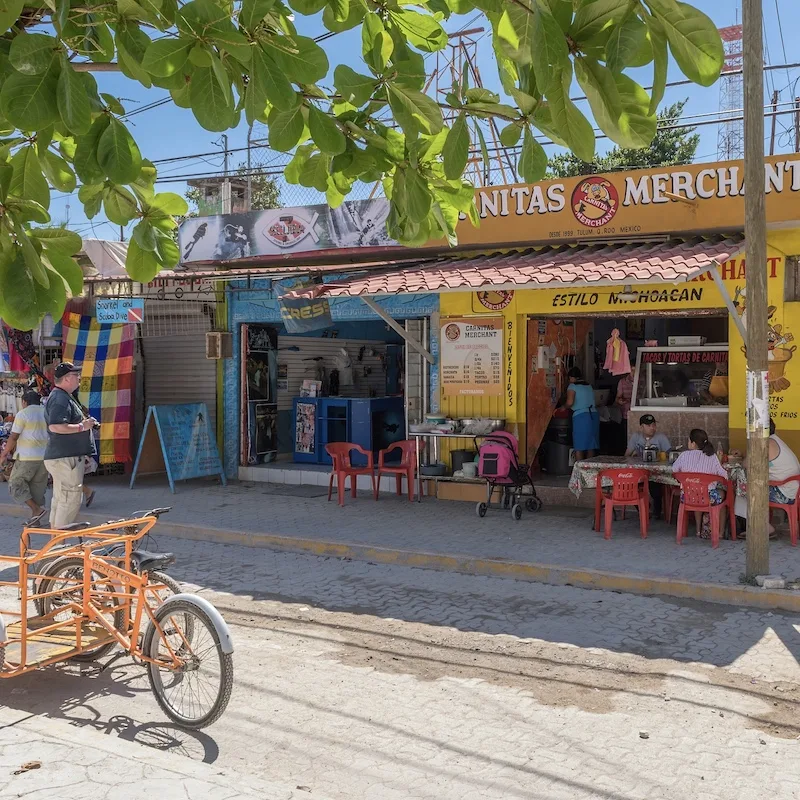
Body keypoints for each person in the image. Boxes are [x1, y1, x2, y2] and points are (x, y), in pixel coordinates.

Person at [43, 362, 97, 529]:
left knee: (62, 499)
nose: (79, 378)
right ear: (66, 379)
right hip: (65, 458)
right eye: (75, 376)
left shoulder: (63, 396)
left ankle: (56, 544)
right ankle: (59, 547)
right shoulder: (60, 399)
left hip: (63, 457)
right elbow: (55, 426)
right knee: (69, 499)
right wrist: (83, 426)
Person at [735, 418, 800, 536]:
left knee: (743, 491)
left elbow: (746, 464)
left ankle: (765, 527)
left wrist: (749, 448)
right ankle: (758, 525)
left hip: (784, 493)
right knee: (746, 488)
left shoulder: (767, 444)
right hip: (791, 488)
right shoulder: (774, 440)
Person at [671, 429, 728, 539]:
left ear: (693, 443)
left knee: (697, 493)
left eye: (688, 441)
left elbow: (674, 470)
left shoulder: (684, 455)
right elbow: (723, 475)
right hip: (707, 497)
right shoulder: (712, 457)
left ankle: (698, 531)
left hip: (687, 497)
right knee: (722, 495)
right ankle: (720, 534)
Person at [0, 391, 48, 517]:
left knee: (15, 484)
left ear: (24, 402)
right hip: (44, 457)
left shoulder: (23, 414)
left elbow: (14, 436)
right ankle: (35, 517)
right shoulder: (47, 412)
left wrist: (4, 453)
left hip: (27, 457)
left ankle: (36, 510)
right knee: (37, 488)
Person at [626, 414, 671, 517]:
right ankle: (643, 508)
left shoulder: (661, 437)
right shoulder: (636, 437)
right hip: (638, 473)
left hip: (656, 473)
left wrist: (659, 455)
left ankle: (657, 509)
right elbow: (626, 455)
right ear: (641, 427)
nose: (652, 428)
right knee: (629, 487)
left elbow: (670, 456)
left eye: (654, 425)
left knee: (655, 487)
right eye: (649, 425)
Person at [565, 367, 599, 461]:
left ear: (571, 377)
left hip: (581, 417)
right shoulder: (589, 385)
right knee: (590, 445)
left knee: (579, 445)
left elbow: (570, 402)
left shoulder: (572, 386)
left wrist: (563, 407)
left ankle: (579, 472)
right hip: (593, 415)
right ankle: (589, 471)